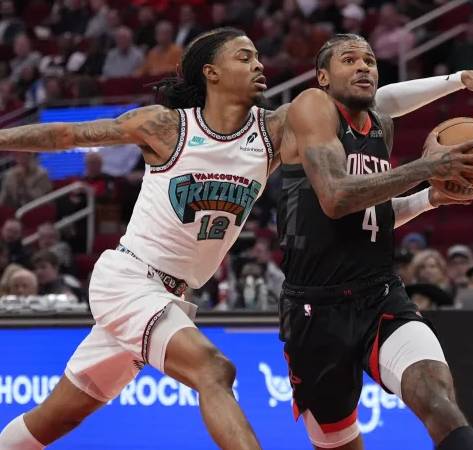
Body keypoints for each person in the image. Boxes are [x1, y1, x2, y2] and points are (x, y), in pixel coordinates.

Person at [0, 27, 287, 450]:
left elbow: (372, 106)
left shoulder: (270, 135)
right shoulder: (165, 126)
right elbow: (66, 136)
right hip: (131, 281)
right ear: (211, 72)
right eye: (244, 57)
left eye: (258, 56)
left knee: (51, 421)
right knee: (213, 369)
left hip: (171, 297)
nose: (259, 64)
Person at [277, 33, 473, 450]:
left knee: (438, 398)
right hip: (314, 309)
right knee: (338, 442)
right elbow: (337, 197)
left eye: (370, 60)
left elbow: (374, 215)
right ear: (322, 76)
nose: (364, 66)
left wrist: (428, 197)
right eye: (350, 60)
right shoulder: (312, 107)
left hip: (380, 295)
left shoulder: (380, 125)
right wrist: (425, 168)